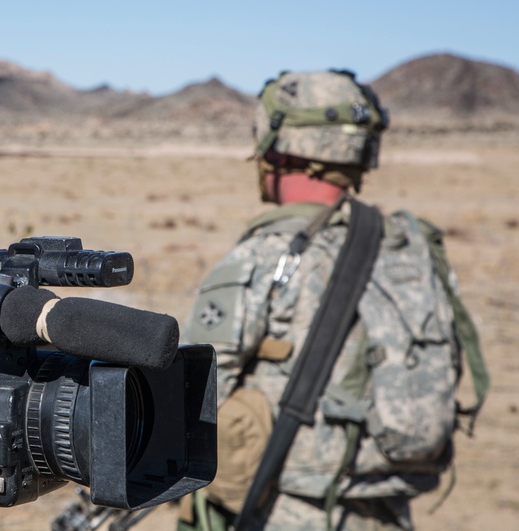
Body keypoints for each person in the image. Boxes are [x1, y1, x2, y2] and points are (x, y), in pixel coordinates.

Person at [178, 70, 487, 531]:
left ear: (276, 146)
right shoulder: (414, 249)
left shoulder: (262, 256)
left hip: (283, 512)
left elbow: (186, 403)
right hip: (387, 510)